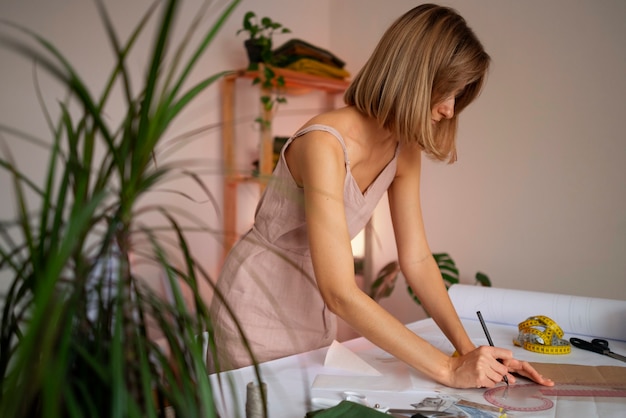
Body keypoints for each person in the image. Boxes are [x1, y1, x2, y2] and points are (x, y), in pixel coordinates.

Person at [210, 3, 554, 389]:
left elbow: (418, 258)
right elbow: (340, 291)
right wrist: (446, 369)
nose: (447, 109)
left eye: (458, 97)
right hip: (257, 307)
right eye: (445, 92)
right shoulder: (323, 144)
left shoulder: (403, 149)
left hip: (314, 311)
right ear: (411, 77)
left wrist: (467, 351)